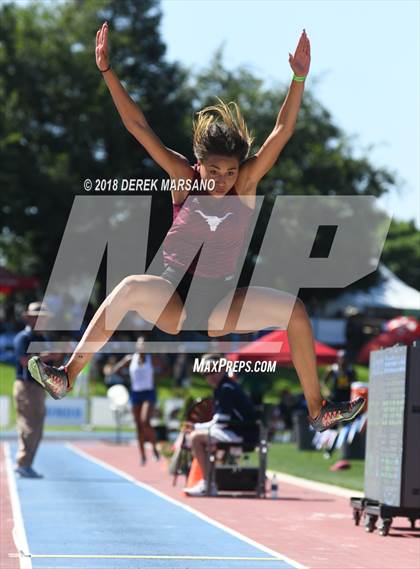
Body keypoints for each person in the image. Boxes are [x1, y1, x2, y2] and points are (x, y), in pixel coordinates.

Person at [27, 23, 365, 434]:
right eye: (214, 171)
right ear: (197, 163)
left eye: (230, 171)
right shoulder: (183, 179)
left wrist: (297, 79)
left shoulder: (244, 187)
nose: (222, 179)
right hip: (170, 294)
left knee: (295, 312)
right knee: (130, 287)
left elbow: (282, 132)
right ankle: (67, 373)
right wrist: (107, 72)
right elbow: (139, 127)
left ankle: (317, 409)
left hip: (218, 304)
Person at [183, 354, 258, 497]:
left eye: (212, 371)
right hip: (235, 430)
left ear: (222, 368)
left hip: (242, 434)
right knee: (196, 436)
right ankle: (208, 481)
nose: (209, 376)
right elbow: (220, 423)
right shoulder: (222, 386)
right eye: (206, 373)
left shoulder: (226, 388)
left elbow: (220, 422)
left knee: (195, 438)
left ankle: (208, 483)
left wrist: (196, 427)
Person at [13, 302, 61, 478]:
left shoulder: (43, 340)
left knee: (37, 427)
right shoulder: (23, 337)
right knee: (28, 425)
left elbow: (46, 365)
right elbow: (25, 361)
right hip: (26, 386)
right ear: (31, 319)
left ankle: (26, 464)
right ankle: (23, 462)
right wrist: (50, 355)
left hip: (38, 386)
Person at [105, 336, 160, 465]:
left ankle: (154, 448)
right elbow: (116, 370)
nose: (142, 347)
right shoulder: (130, 359)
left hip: (149, 393)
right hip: (135, 393)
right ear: (137, 346)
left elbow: (166, 369)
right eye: (140, 345)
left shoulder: (152, 359)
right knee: (139, 426)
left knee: (145, 420)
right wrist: (126, 377)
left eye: (144, 345)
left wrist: (157, 377)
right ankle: (142, 455)